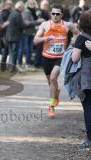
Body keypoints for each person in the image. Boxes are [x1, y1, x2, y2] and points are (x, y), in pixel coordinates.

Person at [34, 4, 79, 118]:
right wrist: (44, 38)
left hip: (60, 57)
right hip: (46, 57)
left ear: (61, 15)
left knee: (54, 78)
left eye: (57, 14)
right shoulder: (45, 25)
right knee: (51, 82)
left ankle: (51, 107)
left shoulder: (67, 25)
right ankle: (55, 93)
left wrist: (74, 45)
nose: (54, 15)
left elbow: (78, 34)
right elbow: (35, 40)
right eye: (53, 13)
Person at [72, 10, 91, 149]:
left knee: (88, 108)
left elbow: (74, 58)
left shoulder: (82, 38)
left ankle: (90, 139)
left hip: (88, 80)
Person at [5, 1, 27, 72]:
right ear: (20, 7)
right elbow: (21, 25)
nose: (23, 9)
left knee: (11, 53)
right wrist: (26, 24)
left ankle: (10, 67)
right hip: (15, 37)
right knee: (14, 53)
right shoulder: (18, 14)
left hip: (9, 36)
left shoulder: (12, 13)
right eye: (23, 7)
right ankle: (12, 68)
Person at [1, 0, 13, 71]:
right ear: (6, 4)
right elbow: (2, 24)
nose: (10, 5)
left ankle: (7, 67)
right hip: (4, 36)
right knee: (5, 52)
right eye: (9, 4)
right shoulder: (4, 12)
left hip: (9, 35)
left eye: (11, 4)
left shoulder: (10, 12)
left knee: (7, 52)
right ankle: (3, 68)